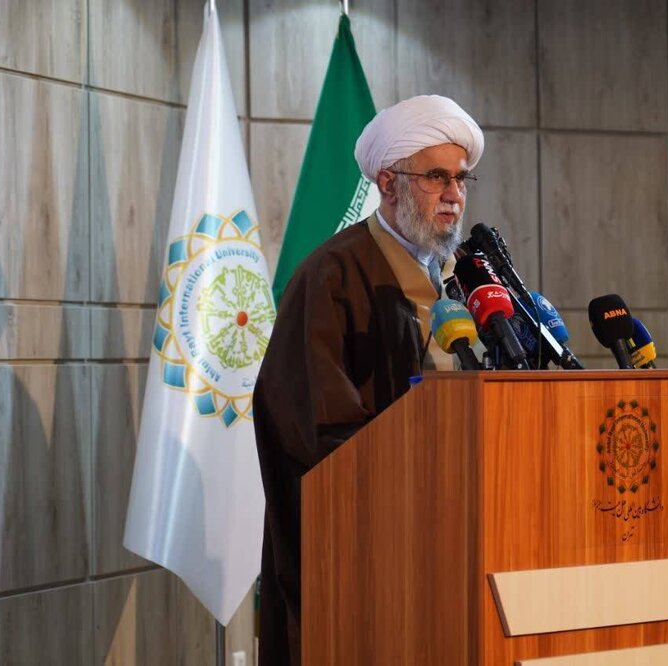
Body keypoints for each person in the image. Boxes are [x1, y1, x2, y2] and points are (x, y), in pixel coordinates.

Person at [252, 94, 483, 666]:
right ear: (387, 183)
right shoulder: (332, 277)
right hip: (363, 557)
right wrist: (418, 478)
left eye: (460, 178)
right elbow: (317, 431)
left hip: (454, 542)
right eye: (436, 177)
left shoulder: (462, 280)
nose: (454, 195)